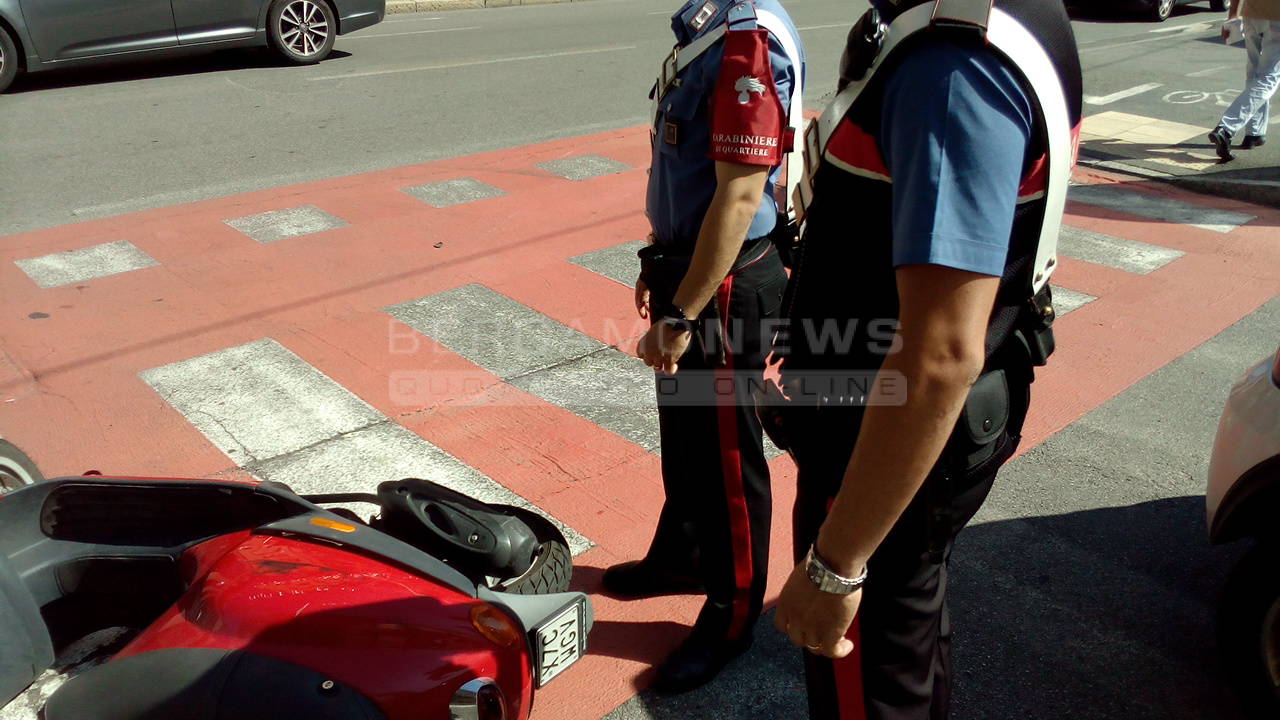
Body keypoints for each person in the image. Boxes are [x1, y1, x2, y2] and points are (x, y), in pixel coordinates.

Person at [767, 1, 1082, 718]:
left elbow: (939, 353)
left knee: (870, 683)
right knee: (910, 646)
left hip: (887, 440)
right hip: (911, 430)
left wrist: (836, 565)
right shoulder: (963, 23)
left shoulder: (951, 61)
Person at [602, 0, 803, 694]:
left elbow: (741, 194)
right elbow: (683, 170)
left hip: (721, 286)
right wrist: (660, 260)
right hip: (689, 269)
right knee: (684, 432)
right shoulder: (709, 27)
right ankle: (683, 555)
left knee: (723, 453)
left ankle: (733, 611)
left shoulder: (747, 41)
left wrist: (683, 309)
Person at [1209, 0, 1280, 161]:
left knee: (1254, 72)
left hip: (1252, 13)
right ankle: (1226, 128)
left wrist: (1232, 14)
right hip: (1277, 17)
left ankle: (1254, 133)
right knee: (1269, 76)